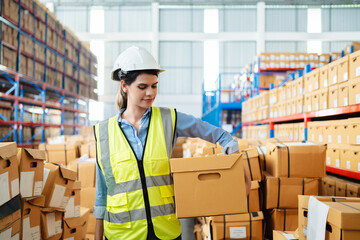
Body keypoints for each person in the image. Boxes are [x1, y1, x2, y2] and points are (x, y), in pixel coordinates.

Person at [93, 46, 251, 240]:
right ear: (124, 86)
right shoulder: (103, 132)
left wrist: (234, 157)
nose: (150, 93)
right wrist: (97, 235)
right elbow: (102, 192)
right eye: (142, 87)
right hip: (122, 234)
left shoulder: (169, 119)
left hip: (165, 231)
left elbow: (221, 136)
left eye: (154, 85)